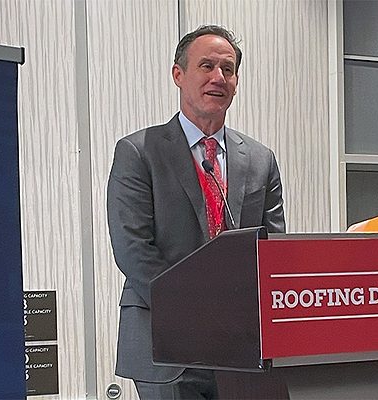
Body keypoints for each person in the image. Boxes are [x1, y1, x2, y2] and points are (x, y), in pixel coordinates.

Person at [107, 25, 286, 399]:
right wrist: (200, 316)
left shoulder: (260, 159)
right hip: (165, 344)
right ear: (178, 74)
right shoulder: (139, 152)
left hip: (241, 348)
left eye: (228, 69)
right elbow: (133, 249)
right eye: (206, 66)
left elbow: (273, 250)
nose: (218, 77)